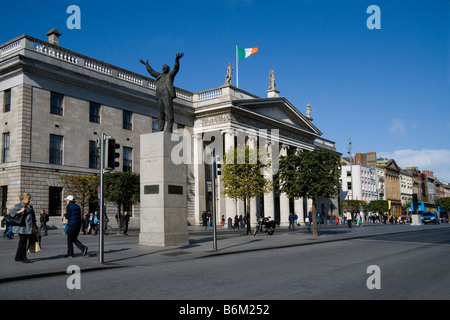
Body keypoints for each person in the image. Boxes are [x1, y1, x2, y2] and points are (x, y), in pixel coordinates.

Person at [139, 53, 184, 133]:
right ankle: (160, 128)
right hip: (160, 95)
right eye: (163, 67)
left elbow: (176, 69)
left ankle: (169, 128)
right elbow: (151, 72)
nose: (163, 68)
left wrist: (177, 60)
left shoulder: (170, 74)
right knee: (160, 113)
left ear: (168, 69)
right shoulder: (159, 75)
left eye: (165, 67)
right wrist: (146, 65)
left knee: (168, 112)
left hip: (167, 94)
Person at [11, 193, 38, 263]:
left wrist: (35, 225)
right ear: (24, 198)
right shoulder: (19, 205)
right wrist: (20, 211)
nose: (29, 200)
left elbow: (33, 217)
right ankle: (23, 257)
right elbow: (12, 213)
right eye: (28, 199)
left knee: (24, 242)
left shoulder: (30, 206)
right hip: (21, 227)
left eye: (30, 199)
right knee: (22, 242)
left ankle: (18, 257)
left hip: (28, 227)